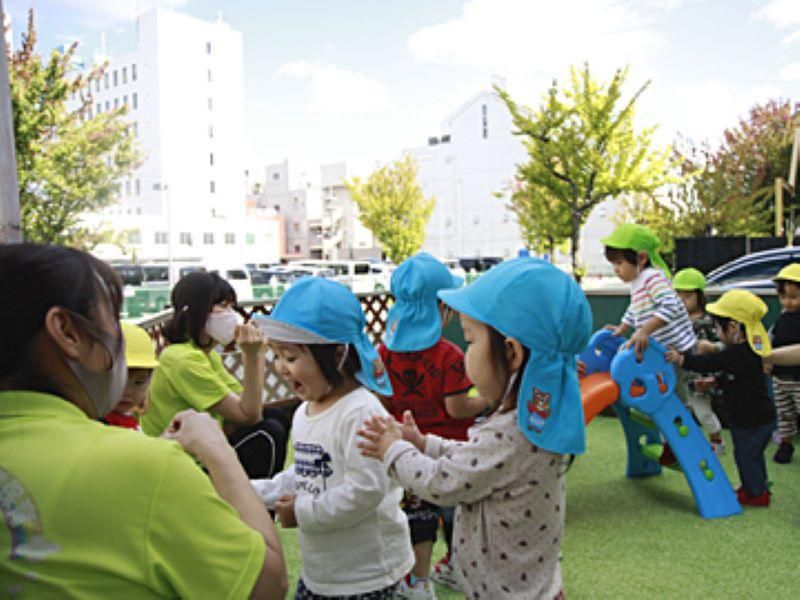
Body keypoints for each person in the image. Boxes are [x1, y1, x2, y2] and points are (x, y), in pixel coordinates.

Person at [0, 243, 287, 598]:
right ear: (68, 332)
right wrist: (217, 450)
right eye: (113, 317)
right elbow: (267, 585)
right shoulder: (148, 469)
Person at [358, 258, 592, 599]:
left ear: (511, 352)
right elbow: (479, 459)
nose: (466, 353)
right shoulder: (533, 423)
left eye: (470, 340)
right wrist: (425, 443)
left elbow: (441, 483)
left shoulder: (510, 433)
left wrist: (394, 449)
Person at [250, 277, 414, 599]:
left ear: (338, 354)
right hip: (323, 572)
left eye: (292, 357)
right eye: (278, 356)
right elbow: (310, 474)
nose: (282, 368)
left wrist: (304, 512)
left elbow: (366, 489)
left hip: (367, 577)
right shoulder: (304, 412)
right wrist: (257, 491)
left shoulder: (361, 413)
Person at [378, 253, 485, 598]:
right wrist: (488, 400)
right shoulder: (450, 355)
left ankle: (419, 581)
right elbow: (457, 408)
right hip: (451, 449)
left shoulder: (383, 352)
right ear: (442, 309)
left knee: (418, 515)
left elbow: (383, 404)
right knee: (456, 513)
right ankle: (456, 566)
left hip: (407, 450)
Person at [142, 271, 288, 478]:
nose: (230, 314)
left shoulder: (205, 355)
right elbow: (249, 416)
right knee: (268, 433)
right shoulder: (181, 360)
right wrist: (252, 356)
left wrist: (257, 355)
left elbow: (247, 406)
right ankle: (251, 506)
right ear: (193, 311)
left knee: (274, 417)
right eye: (221, 305)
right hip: (184, 466)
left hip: (204, 450)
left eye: (231, 306)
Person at [666, 290, 776, 507]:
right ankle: (756, 487)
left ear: (734, 328)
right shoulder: (745, 353)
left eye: (718, 327)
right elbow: (738, 379)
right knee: (751, 456)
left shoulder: (738, 353)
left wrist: (682, 359)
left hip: (752, 420)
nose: (716, 331)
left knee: (746, 456)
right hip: (753, 418)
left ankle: (756, 494)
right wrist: (713, 382)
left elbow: (710, 363)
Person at [603, 224, 697, 465]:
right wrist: (623, 328)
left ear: (641, 258)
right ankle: (671, 443)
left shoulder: (652, 278)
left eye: (619, 263)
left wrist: (644, 330)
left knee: (673, 396)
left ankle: (682, 437)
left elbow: (672, 306)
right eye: (613, 264)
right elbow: (635, 308)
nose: (616, 270)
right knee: (662, 393)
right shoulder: (638, 281)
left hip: (676, 350)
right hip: (661, 351)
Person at [672, 268, 725, 454]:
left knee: (704, 413)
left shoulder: (709, 320)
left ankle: (717, 441)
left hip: (700, 378)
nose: (682, 300)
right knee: (680, 411)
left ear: (699, 296)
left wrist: (711, 347)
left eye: (688, 296)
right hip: (680, 376)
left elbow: (724, 346)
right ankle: (683, 444)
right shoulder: (673, 321)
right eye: (678, 295)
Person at [768, 263, 800, 464]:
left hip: (798, 378)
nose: (789, 302)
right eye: (784, 297)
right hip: (780, 377)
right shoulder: (782, 318)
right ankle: (786, 444)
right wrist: (768, 361)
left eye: (794, 297)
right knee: (784, 414)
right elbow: (771, 338)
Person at [102, 322, 159, 430]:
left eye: (138, 383)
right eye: (118, 381)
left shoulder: (127, 417)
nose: (127, 392)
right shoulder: (102, 425)